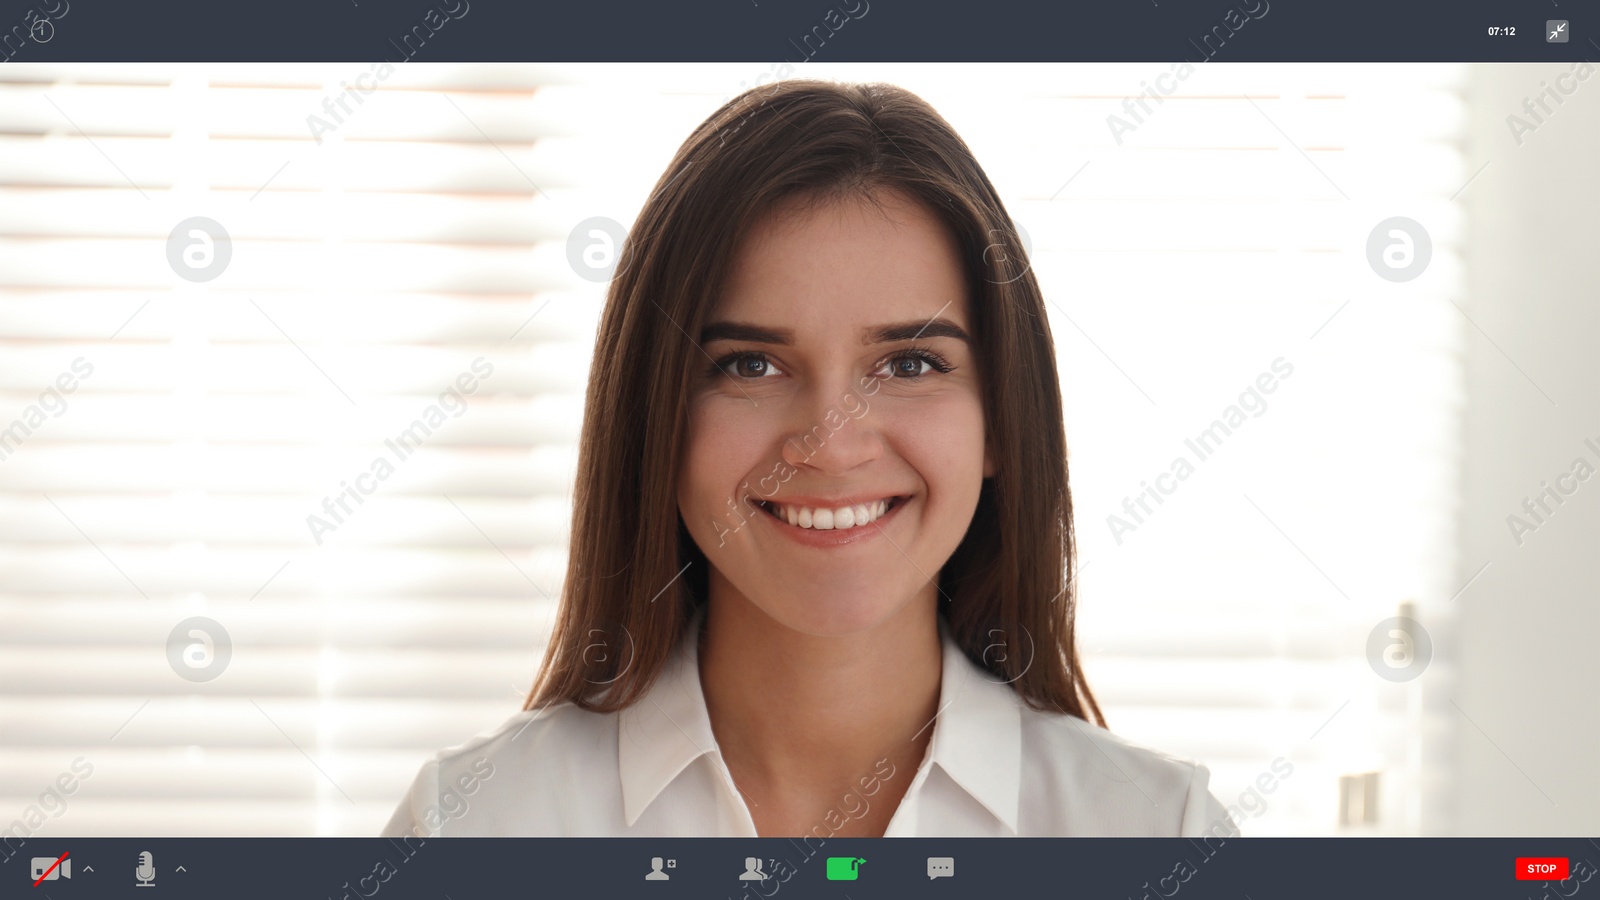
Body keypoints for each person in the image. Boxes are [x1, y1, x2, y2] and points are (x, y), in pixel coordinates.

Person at [382, 79, 1237, 839]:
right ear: (656, 421)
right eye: (750, 365)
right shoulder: (473, 829)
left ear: (1003, 423)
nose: (830, 444)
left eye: (909, 364)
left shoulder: (1160, 835)